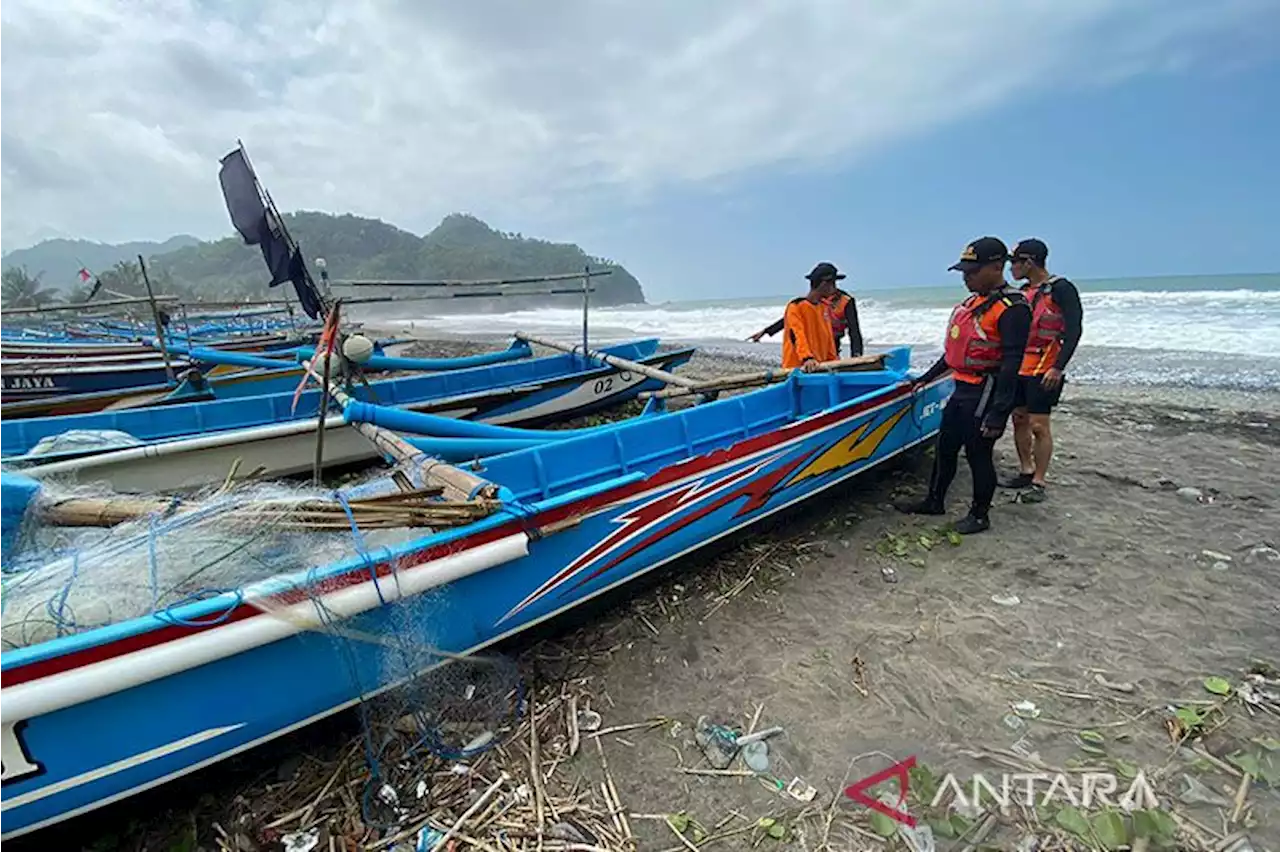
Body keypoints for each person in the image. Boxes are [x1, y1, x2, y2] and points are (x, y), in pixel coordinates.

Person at [898, 237, 1030, 534]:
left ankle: (980, 515)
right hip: (962, 387)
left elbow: (1011, 363)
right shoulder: (973, 304)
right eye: (963, 273)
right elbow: (954, 354)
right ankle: (934, 501)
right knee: (945, 447)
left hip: (987, 390)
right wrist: (926, 378)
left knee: (978, 454)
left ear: (997, 267)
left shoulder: (1013, 307)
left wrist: (998, 413)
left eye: (972, 272)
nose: (965, 278)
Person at [1002, 238, 1083, 502]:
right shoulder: (1022, 292)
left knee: (1039, 425)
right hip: (1019, 366)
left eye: (1014, 262)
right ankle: (1025, 469)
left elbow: (1074, 330)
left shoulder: (1061, 289)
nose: (1010, 268)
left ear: (1029, 262)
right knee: (1019, 419)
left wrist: (1058, 368)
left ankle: (1039, 479)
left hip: (1045, 365)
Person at [749, 277, 863, 357]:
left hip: (832, 345)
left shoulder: (846, 301)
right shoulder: (818, 299)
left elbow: (854, 331)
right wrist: (766, 331)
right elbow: (793, 318)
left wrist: (856, 355)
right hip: (812, 344)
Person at [780, 262, 842, 372]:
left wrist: (833, 361)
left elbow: (829, 341)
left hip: (819, 367)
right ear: (823, 284)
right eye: (833, 284)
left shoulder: (824, 307)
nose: (835, 288)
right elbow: (797, 334)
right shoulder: (796, 306)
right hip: (799, 368)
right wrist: (807, 357)